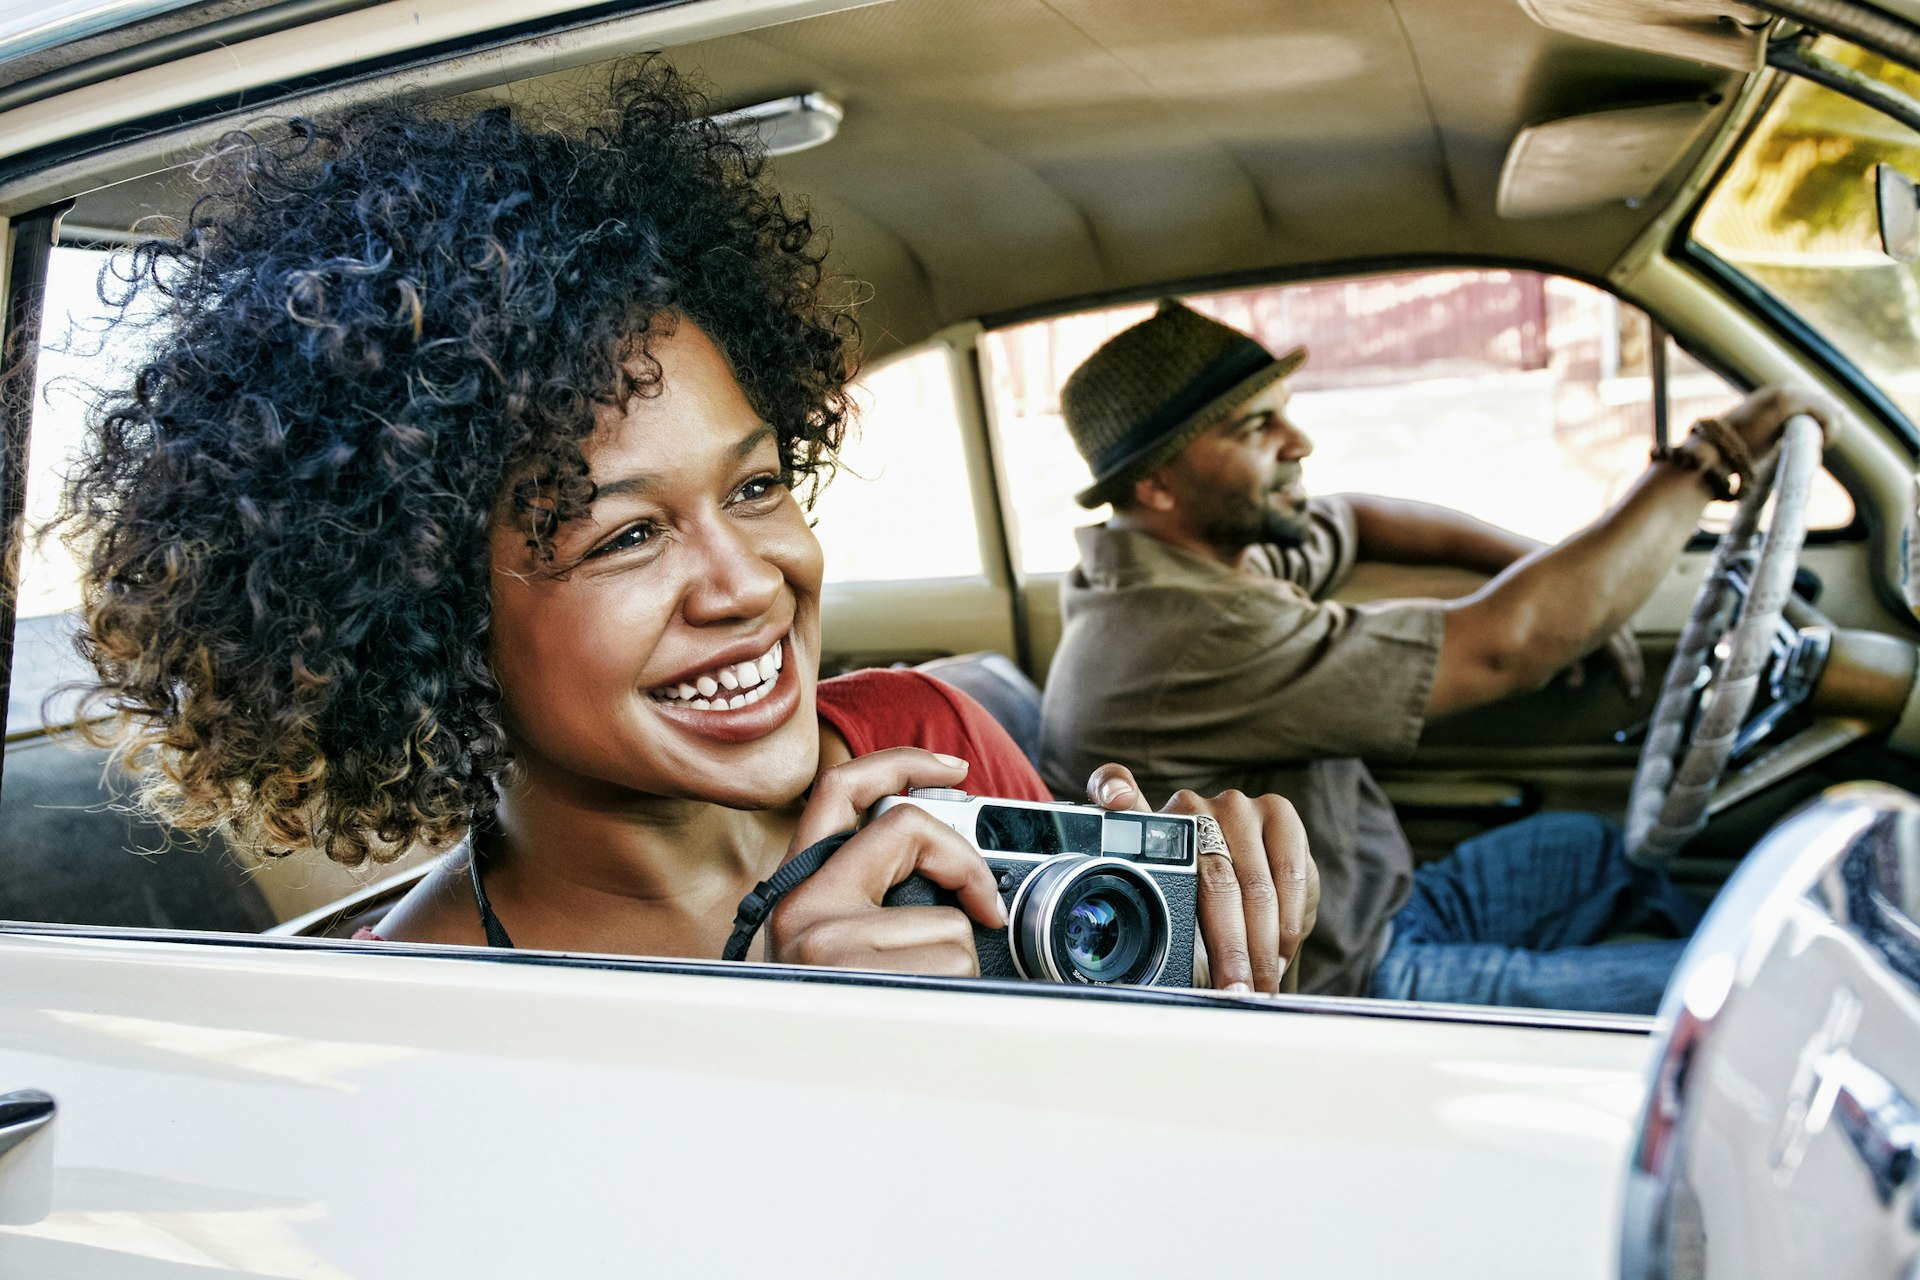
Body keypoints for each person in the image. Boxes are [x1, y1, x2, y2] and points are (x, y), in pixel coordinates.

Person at [51, 64, 1315, 991]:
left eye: (756, 486)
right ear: (427, 619)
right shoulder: (422, 998)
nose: (746, 583)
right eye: (624, 538)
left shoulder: (925, 742)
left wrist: (1208, 955)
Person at [1039, 299, 1840, 1012]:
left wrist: (1531, 559)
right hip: (1351, 979)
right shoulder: (1192, 631)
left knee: (1597, 852)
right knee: (1752, 993)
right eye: (1255, 429)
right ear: (1157, 487)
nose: (1299, 441)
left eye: (1283, 412)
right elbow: (1506, 649)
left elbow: (1352, 518)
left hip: (1389, 906)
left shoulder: (1207, 553)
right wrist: (1710, 458)